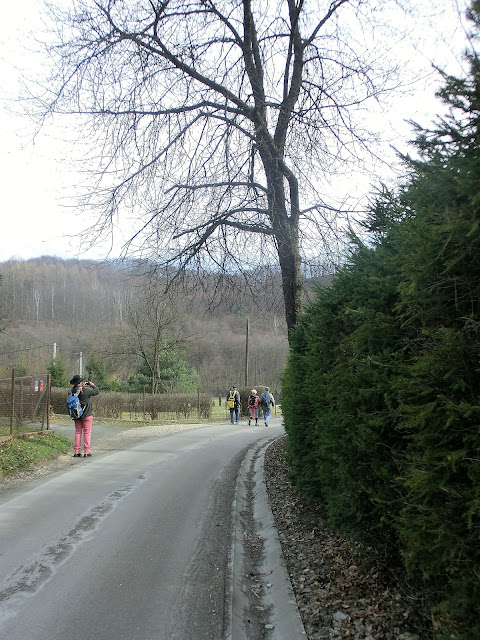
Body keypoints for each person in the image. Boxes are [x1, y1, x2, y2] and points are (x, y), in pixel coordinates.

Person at [70, 375, 100, 458]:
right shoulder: (85, 390)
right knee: (87, 433)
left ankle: (77, 452)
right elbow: (97, 391)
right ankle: (86, 451)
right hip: (86, 414)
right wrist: (92, 385)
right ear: (80, 382)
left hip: (76, 415)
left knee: (78, 432)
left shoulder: (71, 391)